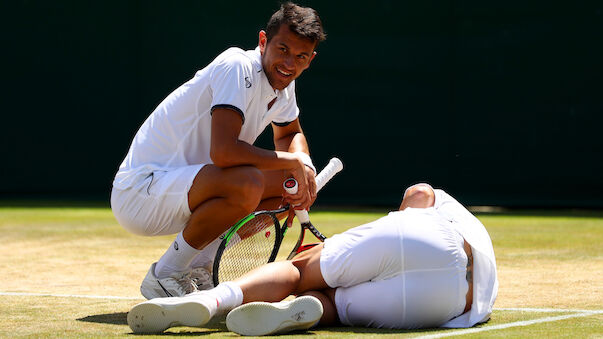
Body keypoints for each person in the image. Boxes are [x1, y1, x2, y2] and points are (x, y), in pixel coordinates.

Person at [110, 3, 327, 299]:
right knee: (248, 181)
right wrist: (294, 161)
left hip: (187, 189)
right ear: (263, 41)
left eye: (300, 56)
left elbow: (290, 133)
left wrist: (303, 170)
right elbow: (223, 152)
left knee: (287, 188)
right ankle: (165, 274)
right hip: (139, 193)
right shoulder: (237, 65)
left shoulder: (283, 85)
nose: (289, 63)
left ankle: (201, 268)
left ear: (310, 59)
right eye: (283, 49)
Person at [127, 184, 499, 335]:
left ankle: (209, 300)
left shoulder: (433, 208)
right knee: (333, 303)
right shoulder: (478, 245)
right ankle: (301, 313)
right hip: (447, 303)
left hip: (420, 237)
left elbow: (419, 193)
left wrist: (391, 224)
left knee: (300, 269)